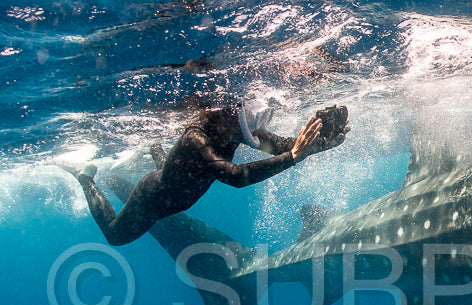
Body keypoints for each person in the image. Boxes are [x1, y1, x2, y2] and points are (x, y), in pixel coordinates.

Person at [59, 102, 350, 246]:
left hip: (180, 183)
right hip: (153, 200)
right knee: (114, 235)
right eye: (246, 128)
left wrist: (321, 144)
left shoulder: (235, 130)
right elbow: (236, 176)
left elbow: (284, 146)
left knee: (176, 171)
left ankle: (155, 149)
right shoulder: (195, 138)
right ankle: (85, 177)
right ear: (227, 116)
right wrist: (294, 156)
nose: (250, 135)